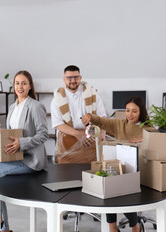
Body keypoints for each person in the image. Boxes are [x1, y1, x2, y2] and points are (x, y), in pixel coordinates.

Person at [0, 70, 48, 232]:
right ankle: (2, 223)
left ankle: (3, 226)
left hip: (31, 160)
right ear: (13, 86)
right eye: (17, 83)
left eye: (24, 83)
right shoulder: (13, 107)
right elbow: (10, 135)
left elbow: (43, 135)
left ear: (30, 86)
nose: (20, 87)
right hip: (15, 157)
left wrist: (21, 143)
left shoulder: (36, 106)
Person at [82, 96, 148, 232]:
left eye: (134, 111)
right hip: (120, 169)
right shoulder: (119, 124)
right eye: (127, 110)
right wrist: (90, 117)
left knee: (126, 191)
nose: (130, 114)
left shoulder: (147, 128)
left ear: (141, 112)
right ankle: (112, 227)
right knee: (107, 187)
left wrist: (145, 139)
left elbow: (158, 140)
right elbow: (101, 122)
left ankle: (135, 225)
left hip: (138, 171)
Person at [51, 65, 106, 163]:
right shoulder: (57, 99)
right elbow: (57, 123)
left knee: (91, 171)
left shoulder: (93, 94)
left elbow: (102, 117)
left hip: (90, 140)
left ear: (80, 77)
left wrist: (102, 133)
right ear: (64, 79)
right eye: (69, 78)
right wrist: (78, 134)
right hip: (67, 141)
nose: (73, 80)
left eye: (76, 77)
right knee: (66, 173)